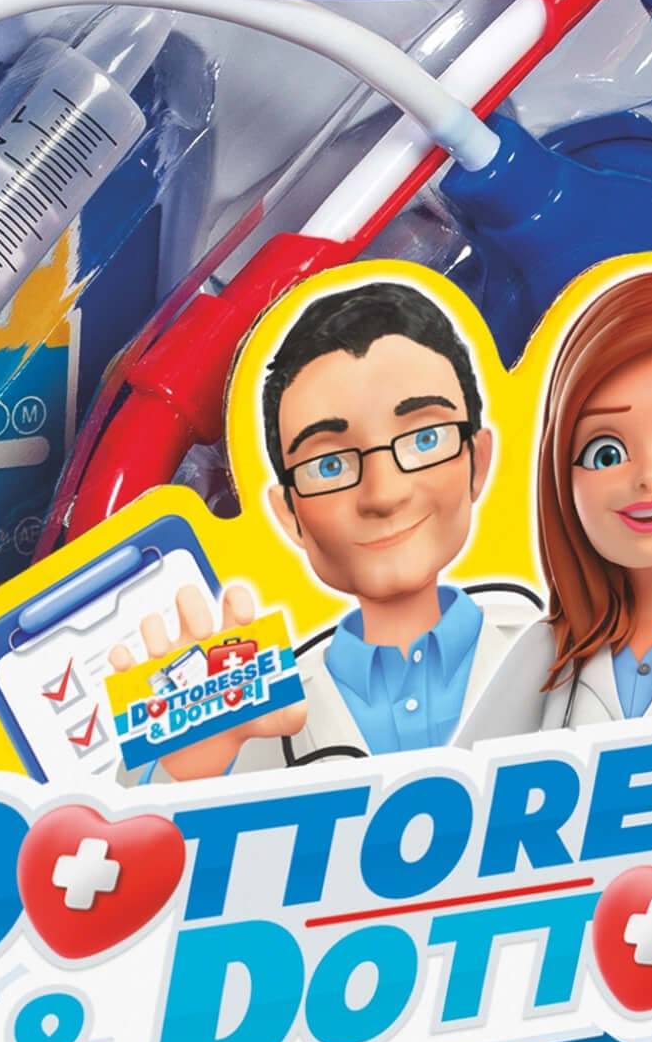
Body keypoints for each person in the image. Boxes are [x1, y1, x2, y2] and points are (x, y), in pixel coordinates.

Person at [109, 279, 536, 776]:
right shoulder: (256, 709)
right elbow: (101, 809)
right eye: (330, 465)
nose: (383, 494)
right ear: (288, 513)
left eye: (424, 439)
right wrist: (186, 774)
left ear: (477, 460)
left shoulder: (561, 644)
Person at [462, 269, 652, 739]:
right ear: (561, 474)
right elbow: (459, 775)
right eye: (606, 453)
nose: (649, 476)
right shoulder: (546, 650)